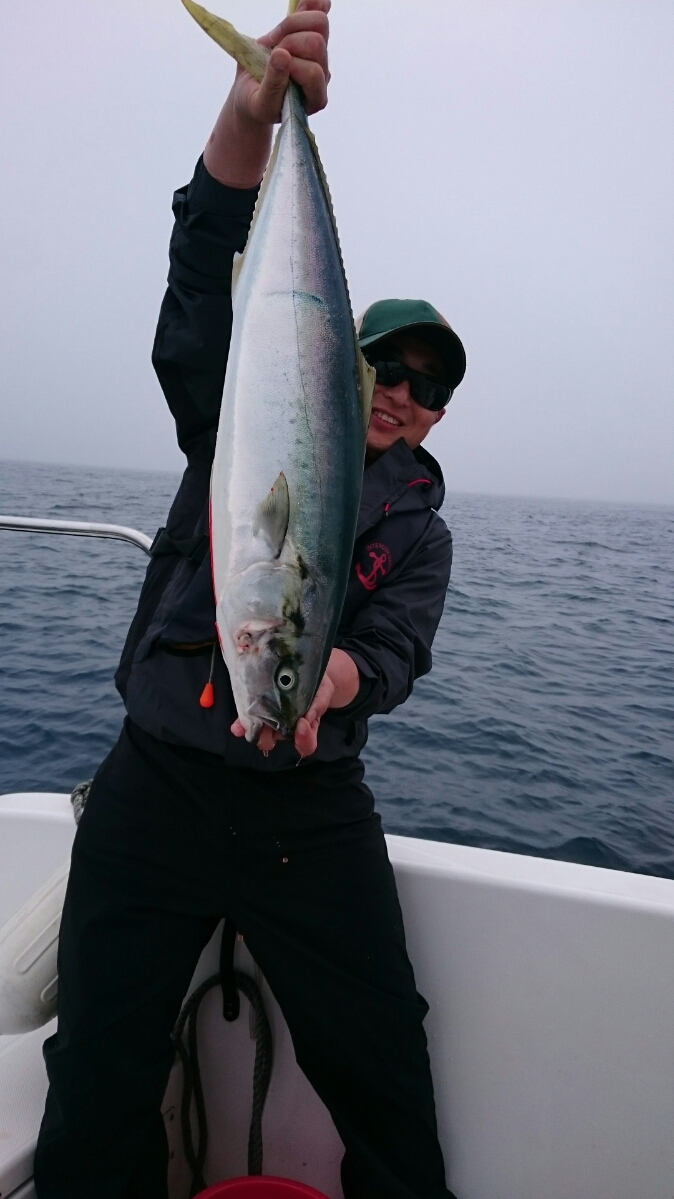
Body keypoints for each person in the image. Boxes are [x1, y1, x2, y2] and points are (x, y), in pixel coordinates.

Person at [33, 2, 466, 1197]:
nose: (404, 392)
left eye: (430, 387)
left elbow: (392, 650)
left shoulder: (420, 536)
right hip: (158, 782)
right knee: (96, 1076)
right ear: (345, 363)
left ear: (437, 415)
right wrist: (251, 109)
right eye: (389, 365)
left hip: (306, 810)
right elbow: (197, 275)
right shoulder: (233, 421)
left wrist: (329, 677)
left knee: (386, 1071)